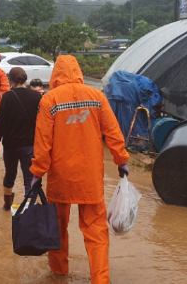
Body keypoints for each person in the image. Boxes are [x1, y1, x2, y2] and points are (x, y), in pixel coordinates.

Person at [29, 55, 130, 284]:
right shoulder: (97, 97)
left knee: (57, 227)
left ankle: (59, 272)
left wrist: (37, 172)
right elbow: (113, 132)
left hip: (60, 177)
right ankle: (100, 279)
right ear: (78, 72)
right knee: (96, 231)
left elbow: (43, 143)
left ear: (55, 75)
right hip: (90, 177)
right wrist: (121, 159)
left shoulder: (49, 100)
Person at [0, 67, 42, 210]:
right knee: (29, 177)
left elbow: (0, 123)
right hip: (30, 145)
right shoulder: (37, 97)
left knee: (10, 175)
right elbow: (43, 123)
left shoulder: (7, 97)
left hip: (10, 146)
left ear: (11, 81)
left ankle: (7, 205)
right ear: (25, 80)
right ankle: (29, 209)